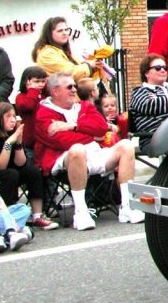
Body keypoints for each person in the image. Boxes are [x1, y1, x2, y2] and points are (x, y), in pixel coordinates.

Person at [34, 72, 144, 230]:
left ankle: (127, 207)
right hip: (63, 160)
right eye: (69, 87)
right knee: (77, 149)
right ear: (55, 91)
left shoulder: (84, 106)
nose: (74, 90)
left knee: (126, 145)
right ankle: (81, 212)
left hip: (95, 153)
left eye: (75, 86)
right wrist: (89, 135)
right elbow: (60, 141)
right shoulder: (44, 113)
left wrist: (74, 127)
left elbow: (101, 128)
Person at [0, 102, 57, 229]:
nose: (13, 120)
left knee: (31, 170)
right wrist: (8, 143)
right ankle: (6, 215)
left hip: (10, 173)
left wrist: (18, 142)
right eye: (8, 116)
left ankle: (37, 215)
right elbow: (1, 166)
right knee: (10, 174)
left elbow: (21, 163)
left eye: (14, 116)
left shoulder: (12, 134)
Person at [31, 16, 101, 81]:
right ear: (49, 34)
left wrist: (89, 64)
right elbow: (69, 73)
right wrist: (89, 66)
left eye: (66, 30)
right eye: (60, 31)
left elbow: (75, 67)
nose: (64, 33)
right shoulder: (47, 53)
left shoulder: (60, 49)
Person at [14, 66, 49, 160]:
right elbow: (28, 106)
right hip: (31, 142)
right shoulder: (21, 96)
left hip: (46, 141)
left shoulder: (46, 96)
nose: (41, 84)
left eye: (43, 81)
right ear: (27, 82)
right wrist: (33, 91)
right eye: (37, 81)